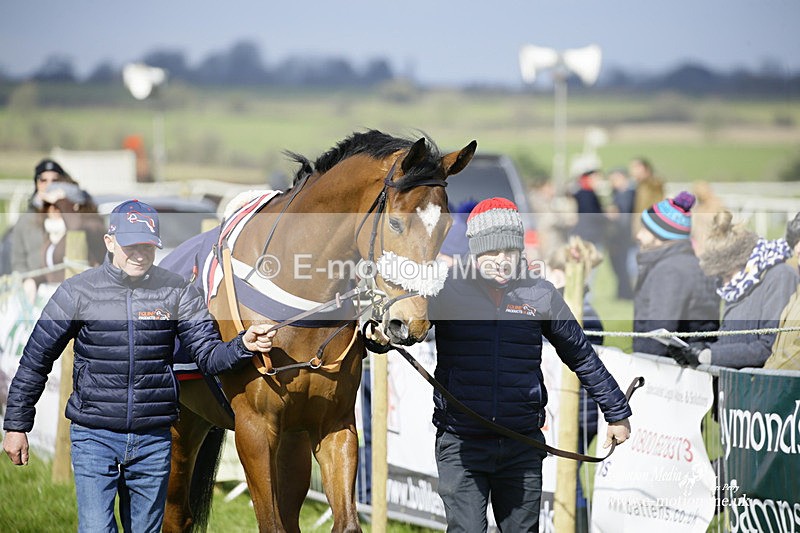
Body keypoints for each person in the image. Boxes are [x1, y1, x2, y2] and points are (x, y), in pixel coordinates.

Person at [2, 199, 277, 533]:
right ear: (110, 242)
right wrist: (16, 426)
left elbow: (208, 356)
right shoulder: (77, 292)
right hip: (94, 437)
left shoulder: (177, 292)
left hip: (153, 439)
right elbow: (36, 360)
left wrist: (243, 345)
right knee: (96, 530)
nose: (139, 254)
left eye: (147, 246)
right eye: (130, 245)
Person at [370, 197, 632, 532]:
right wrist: (379, 336)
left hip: (522, 445)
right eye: (492, 252)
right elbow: (405, 331)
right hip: (461, 443)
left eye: (510, 251)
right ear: (476, 251)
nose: (502, 260)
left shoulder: (540, 292)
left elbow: (580, 354)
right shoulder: (445, 288)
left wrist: (616, 411)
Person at [669, 211, 799, 369]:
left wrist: (710, 355)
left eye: (727, 275)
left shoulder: (780, 277)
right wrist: (696, 351)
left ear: (746, 263)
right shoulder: (740, 286)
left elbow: (771, 346)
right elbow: (731, 340)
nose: (724, 284)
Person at [633, 192, 720, 356]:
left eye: (645, 229)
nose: (638, 235)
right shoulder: (691, 264)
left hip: (669, 366)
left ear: (662, 234)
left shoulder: (670, 271)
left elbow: (659, 334)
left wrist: (644, 365)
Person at [11, 159, 103, 301]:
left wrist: (62, 201)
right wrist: (31, 280)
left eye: (57, 205)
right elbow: (47, 270)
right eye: (48, 205)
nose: (52, 209)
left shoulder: (89, 225)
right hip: (47, 298)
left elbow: (76, 228)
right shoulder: (45, 230)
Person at [764, 212, 800, 370]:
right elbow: (777, 350)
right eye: (796, 241)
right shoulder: (796, 293)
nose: (797, 249)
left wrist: (763, 377)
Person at [605, 167, 635, 299]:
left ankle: (626, 293)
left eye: (614, 179)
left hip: (625, 237)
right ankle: (623, 293)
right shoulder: (617, 194)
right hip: (617, 237)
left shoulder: (630, 194)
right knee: (618, 266)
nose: (612, 183)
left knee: (626, 267)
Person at [629, 157, 665, 240]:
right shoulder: (639, 185)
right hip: (641, 224)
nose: (633, 171)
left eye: (636, 167)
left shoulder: (653, 183)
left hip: (651, 224)